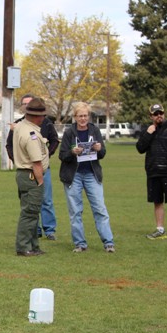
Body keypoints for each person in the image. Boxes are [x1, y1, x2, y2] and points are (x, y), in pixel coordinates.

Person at [58, 102, 115, 253]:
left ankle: (108, 243)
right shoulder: (69, 132)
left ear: (89, 116)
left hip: (91, 174)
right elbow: (61, 155)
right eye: (80, 116)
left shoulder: (94, 130)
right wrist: (72, 152)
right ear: (75, 117)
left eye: (85, 115)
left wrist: (99, 148)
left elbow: (102, 154)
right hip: (73, 175)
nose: (83, 118)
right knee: (75, 211)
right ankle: (80, 244)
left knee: (100, 208)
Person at [6, 94, 60, 240]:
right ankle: (28, 238)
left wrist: (47, 155)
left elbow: (55, 141)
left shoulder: (35, 125)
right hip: (33, 172)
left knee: (43, 202)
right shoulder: (27, 130)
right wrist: (18, 159)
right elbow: (11, 146)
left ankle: (47, 231)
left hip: (32, 169)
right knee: (31, 207)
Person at [135, 103, 167, 240]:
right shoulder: (148, 130)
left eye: (161, 113)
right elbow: (140, 148)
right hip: (153, 172)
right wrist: (148, 133)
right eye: (156, 114)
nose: (159, 116)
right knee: (157, 201)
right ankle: (160, 229)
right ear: (151, 116)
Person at [12, 97, 49, 256]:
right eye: (43, 116)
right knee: (30, 212)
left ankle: (33, 245)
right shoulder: (31, 134)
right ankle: (24, 246)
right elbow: (36, 163)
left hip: (23, 175)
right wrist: (40, 182)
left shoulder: (20, 126)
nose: (44, 118)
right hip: (32, 175)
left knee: (32, 212)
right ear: (37, 116)